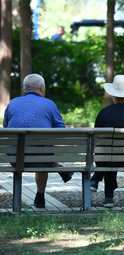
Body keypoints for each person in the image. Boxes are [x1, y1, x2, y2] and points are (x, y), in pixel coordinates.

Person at [3, 74, 72, 208]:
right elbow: (61, 131)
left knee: (39, 150)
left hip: (15, 158)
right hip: (42, 158)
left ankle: (17, 202)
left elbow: (6, 127)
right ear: (41, 88)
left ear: (24, 90)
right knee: (43, 152)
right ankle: (40, 197)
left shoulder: (12, 103)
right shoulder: (50, 104)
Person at [90, 75, 124, 208]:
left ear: (113, 95)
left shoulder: (104, 112)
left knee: (108, 155)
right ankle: (100, 186)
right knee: (113, 154)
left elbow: (96, 137)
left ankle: (104, 191)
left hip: (105, 158)